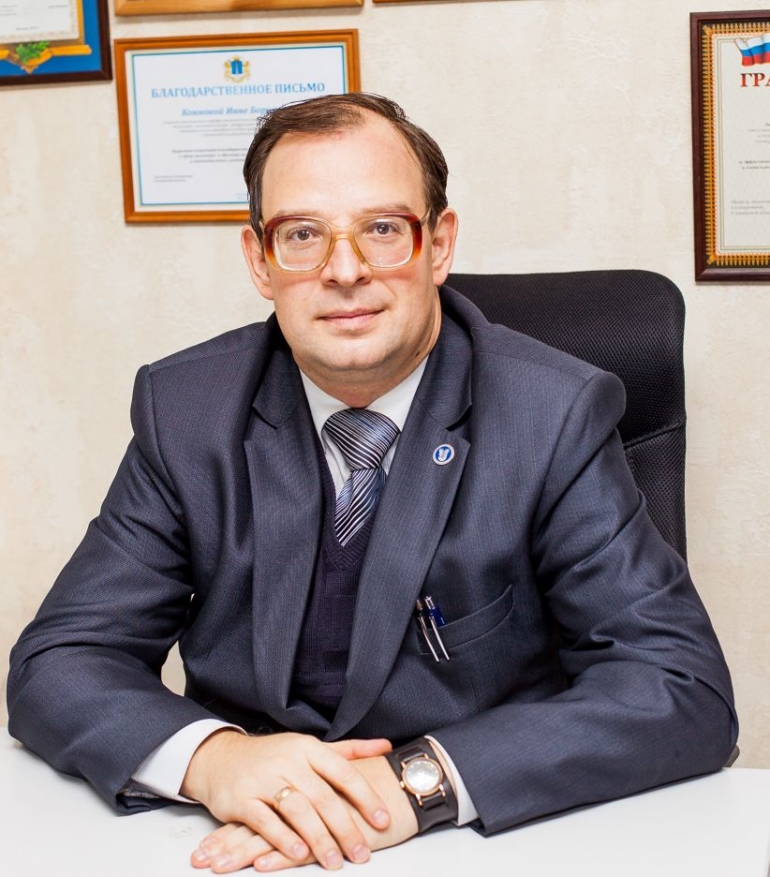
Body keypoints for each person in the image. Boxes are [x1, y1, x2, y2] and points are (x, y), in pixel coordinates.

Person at [7, 93, 737, 873]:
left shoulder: (551, 413)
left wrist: (413, 785)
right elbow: (61, 659)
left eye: (383, 229)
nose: (345, 270)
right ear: (259, 260)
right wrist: (215, 759)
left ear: (439, 244)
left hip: (475, 842)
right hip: (233, 837)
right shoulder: (186, 409)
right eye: (302, 234)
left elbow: (680, 685)